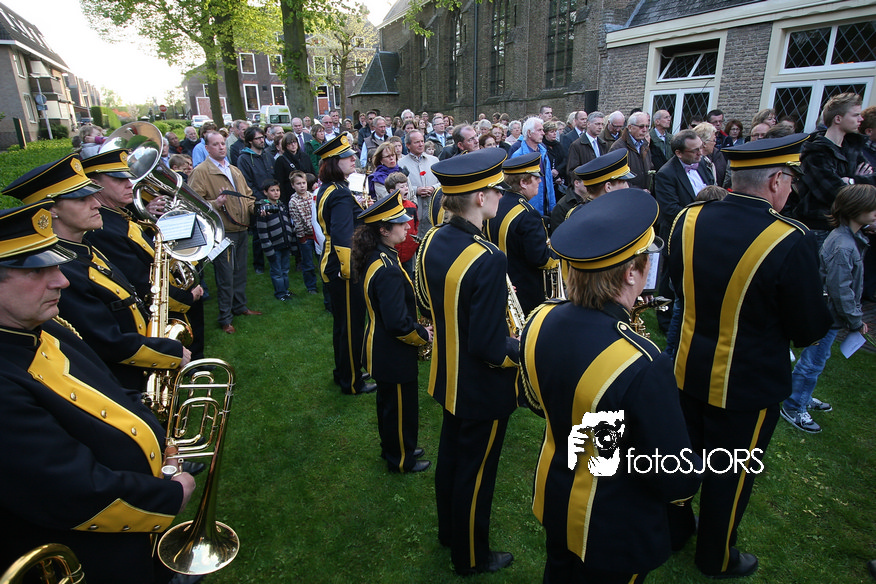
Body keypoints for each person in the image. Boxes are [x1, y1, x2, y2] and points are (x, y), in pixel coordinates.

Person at [0, 200, 195, 584]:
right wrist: (169, 497)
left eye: (56, 265)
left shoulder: (43, 325)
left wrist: (156, 435)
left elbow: (105, 388)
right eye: (37, 270)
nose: (61, 281)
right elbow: (68, 490)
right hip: (94, 559)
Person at [667, 134, 832, 578]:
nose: (792, 189)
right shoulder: (791, 238)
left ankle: (674, 530)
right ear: (777, 180)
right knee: (731, 476)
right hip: (746, 384)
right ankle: (715, 557)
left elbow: (676, 287)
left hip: (687, 367)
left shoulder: (688, 217)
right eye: (791, 180)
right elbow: (807, 329)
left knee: (682, 458)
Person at [520, 188, 700, 584]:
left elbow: (533, 399)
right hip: (615, 526)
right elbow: (675, 477)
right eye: (646, 261)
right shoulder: (644, 362)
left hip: (556, 495)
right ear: (631, 272)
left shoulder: (539, 319)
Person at [414, 148, 519, 576]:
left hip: (447, 375)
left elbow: (426, 302)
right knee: (477, 473)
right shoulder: (489, 257)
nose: (500, 195)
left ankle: (449, 532)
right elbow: (491, 347)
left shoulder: (432, 239)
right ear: (479, 197)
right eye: (496, 189)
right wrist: (526, 348)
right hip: (481, 386)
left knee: (453, 461)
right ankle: (471, 556)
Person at [2, 154, 189, 392]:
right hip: (121, 380)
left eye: (93, 195)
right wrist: (169, 352)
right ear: (51, 210)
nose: (97, 204)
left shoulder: (84, 247)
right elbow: (104, 340)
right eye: (82, 199)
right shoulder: (62, 270)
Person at [782, 184, 876, 433]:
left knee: (817, 359)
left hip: (831, 315)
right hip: (828, 316)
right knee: (813, 362)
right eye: (872, 208)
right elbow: (840, 290)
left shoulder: (850, 239)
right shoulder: (843, 246)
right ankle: (794, 406)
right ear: (856, 209)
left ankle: (802, 395)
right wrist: (855, 320)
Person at [353, 192, 432, 473]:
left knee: (390, 405)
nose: (407, 226)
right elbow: (398, 323)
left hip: (383, 347)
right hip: (392, 351)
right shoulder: (386, 268)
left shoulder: (380, 256)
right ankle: (400, 458)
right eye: (400, 223)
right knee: (400, 409)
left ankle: (395, 447)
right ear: (384, 230)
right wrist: (423, 334)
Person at [315, 134, 376, 395]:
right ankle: (351, 381)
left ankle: (345, 371)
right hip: (342, 265)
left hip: (332, 261)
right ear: (333, 162)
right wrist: (350, 271)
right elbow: (342, 236)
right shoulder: (339, 192)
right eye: (346, 157)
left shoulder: (330, 188)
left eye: (352, 155)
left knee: (343, 324)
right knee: (351, 326)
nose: (353, 159)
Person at [188, 130, 260, 334]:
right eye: (216, 144)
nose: (221, 147)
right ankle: (225, 318)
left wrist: (256, 209)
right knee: (225, 276)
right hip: (221, 233)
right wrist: (215, 204)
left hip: (241, 228)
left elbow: (248, 196)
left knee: (240, 272)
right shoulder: (201, 172)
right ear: (207, 148)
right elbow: (192, 202)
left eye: (222, 143)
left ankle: (240, 307)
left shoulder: (233, 169)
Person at [795, 93, 875, 248]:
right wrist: (858, 187)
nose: (861, 119)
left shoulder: (853, 147)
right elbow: (833, 193)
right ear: (838, 119)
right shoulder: (815, 152)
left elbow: (872, 182)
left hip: (849, 227)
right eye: (855, 115)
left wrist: (851, 181)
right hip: (821, 227)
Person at [484, 151, 558, 315]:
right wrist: (559, 254)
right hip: (525, 295)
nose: (540, 180)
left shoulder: (497, 204)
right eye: (535, 177)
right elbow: (540, 258)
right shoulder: (528, 214)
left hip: (501, 286)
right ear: (523, 182)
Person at [551, 149, 635, 233]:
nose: (627, 186)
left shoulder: (578, 214)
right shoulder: (604, 218)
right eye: (623, 182)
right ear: (608, 187)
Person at [236, 126, 275, 274]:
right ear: (250, 141)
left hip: (273, 197)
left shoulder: (267, 155)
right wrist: (262, 198)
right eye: (258, 138)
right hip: (257, 200)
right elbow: (247, 183)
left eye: (262, 137)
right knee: (259, 234)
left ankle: (275, 260)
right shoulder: (244, 159)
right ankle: (258, 264)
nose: (262, 140)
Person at [255, 179, 297, 301]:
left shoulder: (282, 206)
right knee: (277, 271)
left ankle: (286, 291)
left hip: (285, 244)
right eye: (272, 190)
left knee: (285, 270)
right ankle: (280, 293)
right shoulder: (264, 210)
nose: (276, 193)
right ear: (265, 192)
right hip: (273, 247)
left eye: (277, 190)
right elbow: (262, 233)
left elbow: (288, 224)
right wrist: (269, 250)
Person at [287, 171, 320, 295]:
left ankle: (326, 282)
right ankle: (311, 286)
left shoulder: (313, 196)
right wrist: (302, 237)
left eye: (303, 183)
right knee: (308, 263)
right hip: (305, 236)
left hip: (317, 234)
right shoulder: (293, 202)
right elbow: (297, 221)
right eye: (298, 184)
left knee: (321, 259)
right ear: (293, 185)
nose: (302, 186)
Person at [384, 173, 418, 278]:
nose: (406, 188)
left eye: (406, 186)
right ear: (392, 191)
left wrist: (413, 244)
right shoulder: (387, 208)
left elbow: (416, 225)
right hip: (392, 253)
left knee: (408, 277)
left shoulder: (412, 206)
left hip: (408, 252)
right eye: (402, 187)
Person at [275, 131, 315, 206]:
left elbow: (312, 173)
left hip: (307, 195)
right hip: (290, 195)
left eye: (294, 142)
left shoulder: (305, 156)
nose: (293, 145)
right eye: (289, 143)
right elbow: (280, 181)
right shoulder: (281, 160)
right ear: (285, 145)